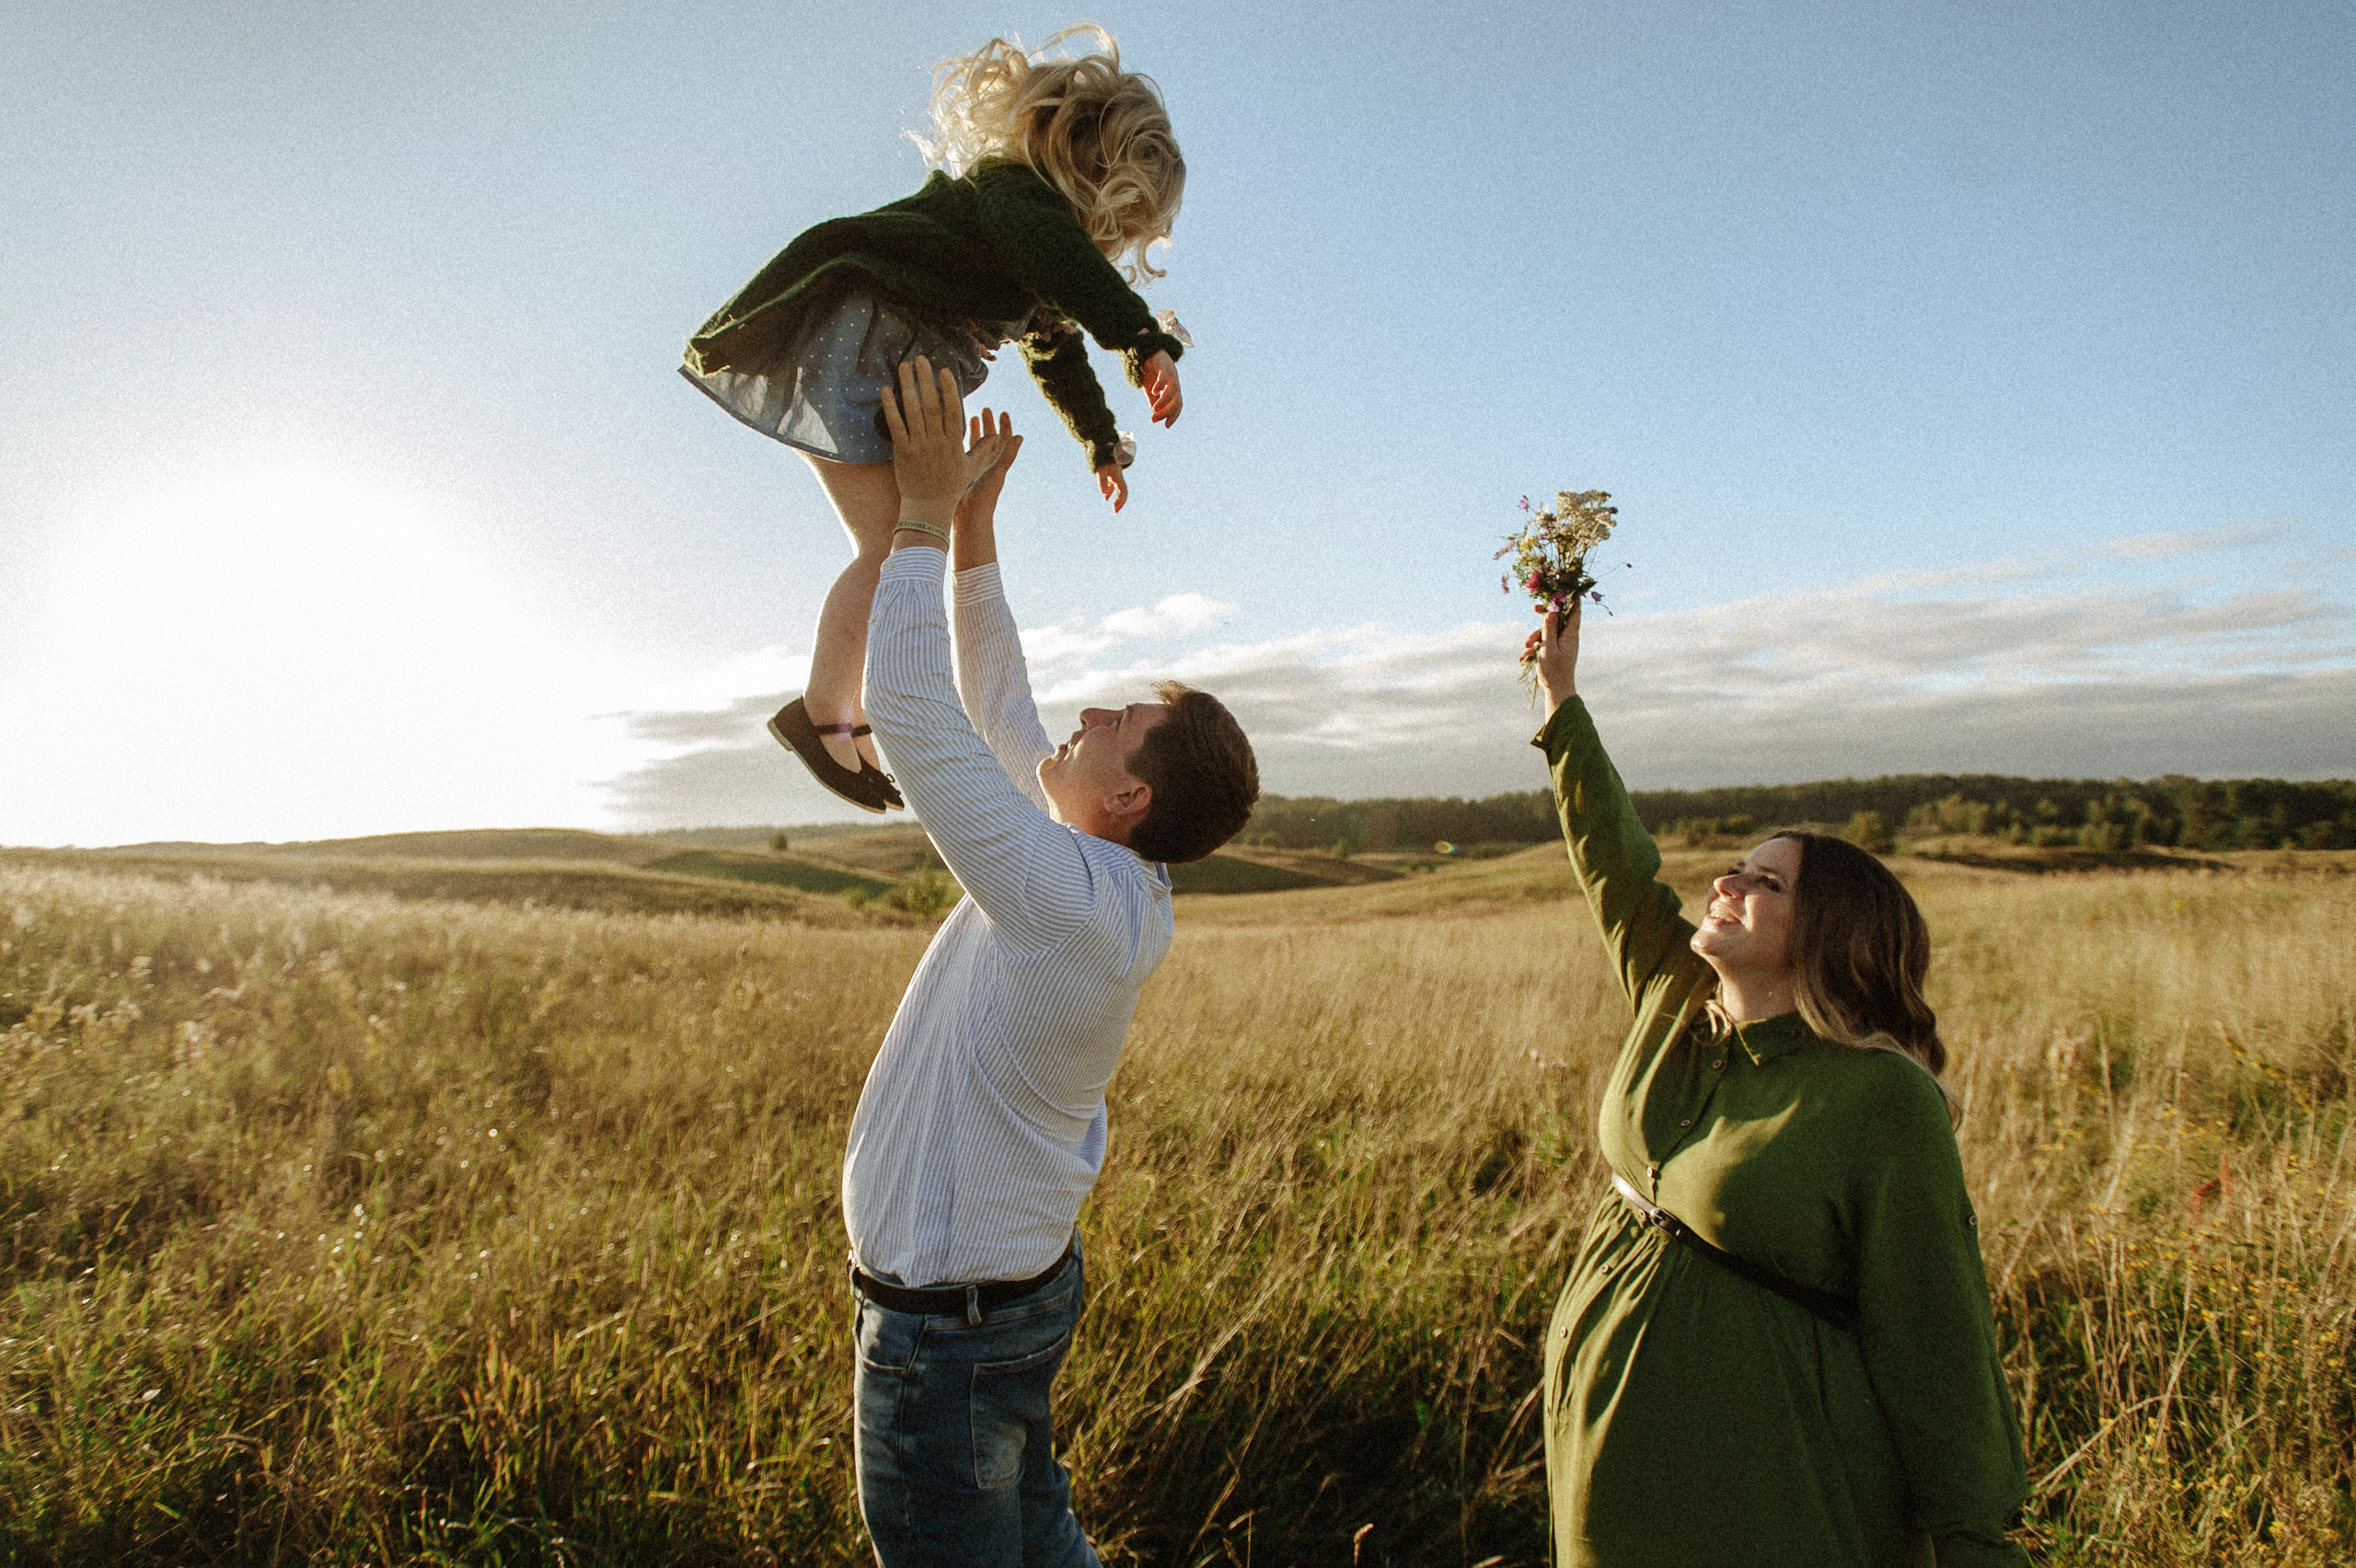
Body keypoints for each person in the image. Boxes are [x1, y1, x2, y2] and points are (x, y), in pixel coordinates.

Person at [840, 357, 1257, 1568]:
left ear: (1129, 794)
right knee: (1041, 1538)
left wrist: (917, 514)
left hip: (949, 1340)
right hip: (1007, 1305)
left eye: (1122, 722)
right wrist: (975, 529)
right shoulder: (1102, 875)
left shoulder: (1069, 897)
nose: (1096, 712)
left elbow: (916, 718)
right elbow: (1003, 700)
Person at [1522, 601, 2031, 1566]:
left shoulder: (1879, 1101)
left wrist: (1976, 1541)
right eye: (1734, 870)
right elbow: (1615, 865)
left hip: (1770, 1483)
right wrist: (1561, 700)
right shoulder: (1675, 1004)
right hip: (1607, 1469)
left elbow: (1937, 1341)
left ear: (1832, 932)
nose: (1727, 886)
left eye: (1767, 883)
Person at [679, 24, 1188, 813]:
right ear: (1094, 175)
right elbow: (1063, 260)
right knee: (896, 544)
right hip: (872, 344)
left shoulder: (1038, 256)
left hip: (886, 357)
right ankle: (823, 714)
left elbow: (1054, 351)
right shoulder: (1015, 195)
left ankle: (837, 712)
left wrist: (1097, 440)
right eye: (1113, 225)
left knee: (894, 544)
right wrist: (1142, 338)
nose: (1105, 246)